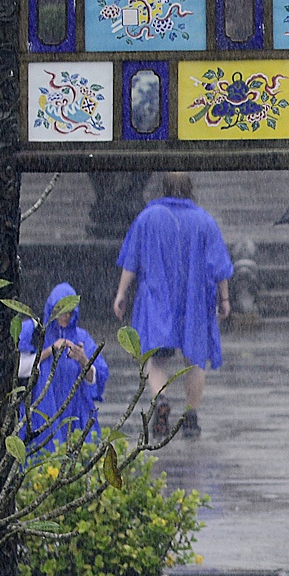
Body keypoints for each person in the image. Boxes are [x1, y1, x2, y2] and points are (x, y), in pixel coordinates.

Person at [112, 172, 234, 441]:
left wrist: (121, 293)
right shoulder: (205, 221)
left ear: (163, 188)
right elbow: (219, 266)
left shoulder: (147, 218)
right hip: (194, 300)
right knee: (195, 361)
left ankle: (162, 399)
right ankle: (191, 417)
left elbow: (131, 259)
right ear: (190, 188)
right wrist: (224, 299)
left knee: (156, 358)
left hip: (158, 299)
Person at [17, 282, 107, 450]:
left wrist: (83, 359)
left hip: (75, 412)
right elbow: (18, 369)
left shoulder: (82, 338)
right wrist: (49, 351)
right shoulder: (34, 332)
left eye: (70, 312)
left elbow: (95, 379)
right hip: (41, 412)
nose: (66, 316)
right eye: (61, 311)